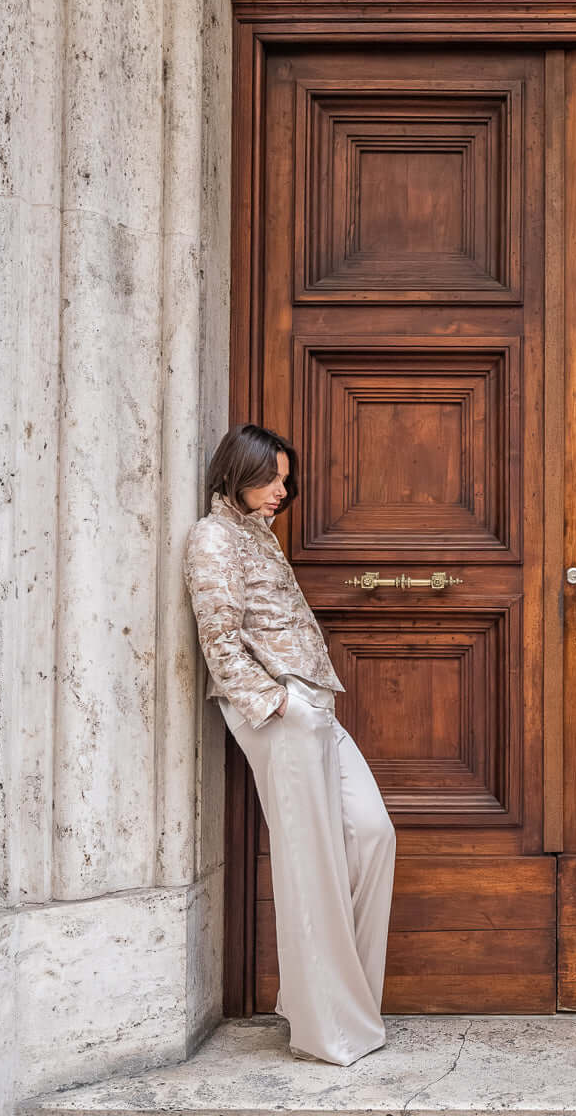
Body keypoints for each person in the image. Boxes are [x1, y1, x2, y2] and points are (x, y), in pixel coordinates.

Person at [183, 422, 395, 1066]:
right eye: (269, 478)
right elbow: (219, 637)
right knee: (311, 864)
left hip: (312, 704)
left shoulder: (258, 534)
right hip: (280, 709)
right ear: (236, 473)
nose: (281, 489)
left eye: (284, 478)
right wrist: (278, 704)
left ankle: (345, 1003)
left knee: (372, 834)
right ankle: (325, 1029)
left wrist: (306, 703)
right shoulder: (213, 537)